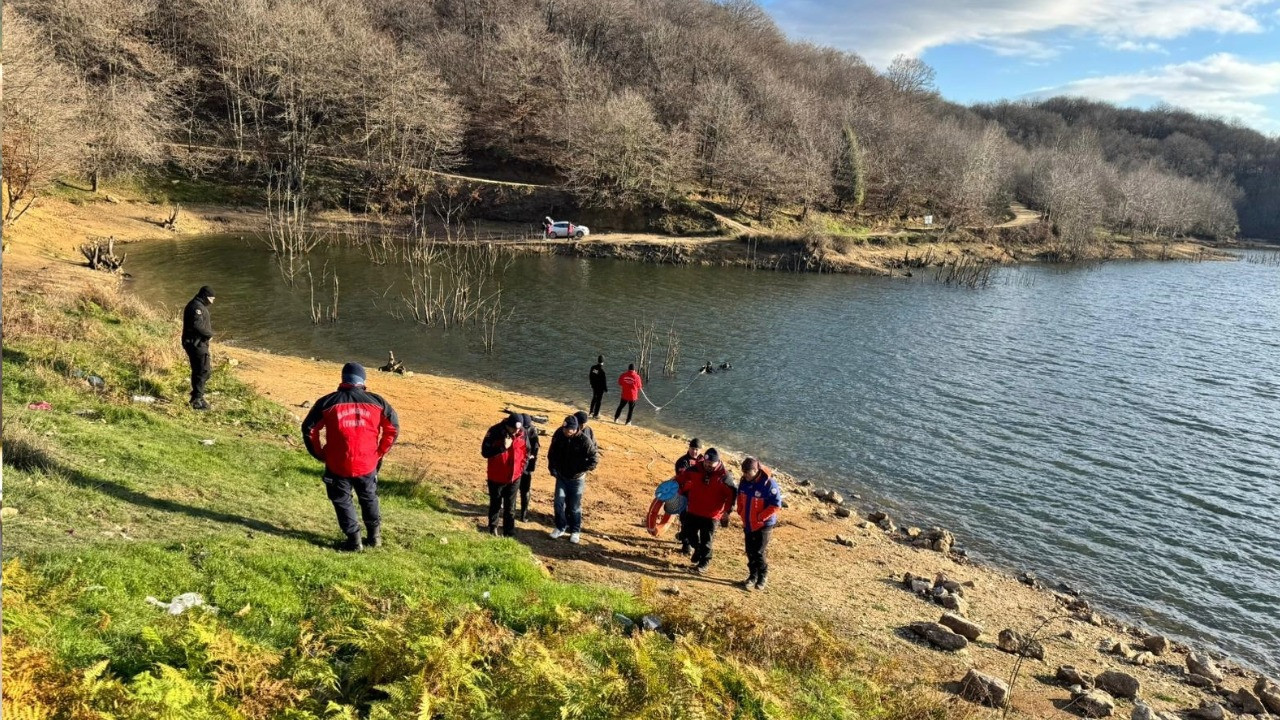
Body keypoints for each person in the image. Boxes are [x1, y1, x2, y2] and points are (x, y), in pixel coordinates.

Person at [302, 362, 400, 552]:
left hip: (338, 463)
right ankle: (375, 536)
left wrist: (319, 453)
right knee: (369, 497)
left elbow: (309, 429)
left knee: (341, 499)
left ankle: (354, 541)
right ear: (363, 381)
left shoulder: (328, 402)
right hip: (367, 463)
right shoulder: (377, 402)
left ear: (343, 379)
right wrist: (379, 452)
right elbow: (393, 428)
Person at [676, 448, 737, 574]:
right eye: (706, 463)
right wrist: (672, 488)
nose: (707, 466)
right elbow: (681, 479)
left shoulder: (724, 477)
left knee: (706, 540)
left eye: (711, 464)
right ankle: (697, 549)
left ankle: (704, 563)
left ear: (718, 462)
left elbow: (732, 495)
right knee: (687, 532)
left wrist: (727, 511)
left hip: (712, 515)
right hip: (693, 509)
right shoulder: (694, 470)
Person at [547, 415, 599, 544]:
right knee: (558, 503)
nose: (566, 432)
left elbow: (594, 458)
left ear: (575, 429)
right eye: (564, 429)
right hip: (562, 477)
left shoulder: (584, 441)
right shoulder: (560, 435)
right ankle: (560, 527)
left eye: (569, 430)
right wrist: (552, 468)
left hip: (577, 480)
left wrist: (581, 469)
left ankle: (575, 531)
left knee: (574, 506)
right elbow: (551, 453)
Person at [736, 456, 782, 591]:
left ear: (755, 470)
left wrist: (761, 517)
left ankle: (762, 576)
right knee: (750, 551)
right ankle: (752, 575)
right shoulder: (744, 481)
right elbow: (740, 496)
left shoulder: (769, 484)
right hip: (748, 522)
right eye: (743, 472)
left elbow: (776, 505)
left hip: (764, 524)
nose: (744, 475)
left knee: (759, 552)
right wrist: (740, 510)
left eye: (747, 473)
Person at [481, 413, 527, 537]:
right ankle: (493, 528)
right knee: (495, 504)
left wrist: (522, 468)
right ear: (507, 425)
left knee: (510, 507)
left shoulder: (522, 432)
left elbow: (526, 451)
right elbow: (485, 452)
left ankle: (509, 533)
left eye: (518, 429)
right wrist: (502, 447)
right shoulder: (494, 431)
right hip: (496, 476)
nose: (516, 431)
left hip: (514, 477)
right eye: (514, 428)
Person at [181, 285, 216, 410]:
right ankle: (197, 400)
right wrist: (209, 334)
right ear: (205, 296)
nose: (211, 302)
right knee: (202, 370)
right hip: (195, 343)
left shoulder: (197, 305)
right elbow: (196, 325)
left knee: (202, 370)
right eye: (211, 299)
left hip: (197, 343)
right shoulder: (196, 307)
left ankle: (197, 397)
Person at [673, 438, 702, 555]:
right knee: (685, 519)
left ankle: (690, 540)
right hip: (685, 496)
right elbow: (682, 478)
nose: (695, 452)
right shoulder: (682, 461)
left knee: (697, 521)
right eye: (693, 449)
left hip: (699, 497)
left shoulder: (704, 461)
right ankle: (686, 544)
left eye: (697, 449)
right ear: (689, 448)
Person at [518, 413, 540, 522]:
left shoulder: (532, 432)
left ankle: (524, 514)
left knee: (525, 490)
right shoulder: (516, 429)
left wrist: (530, 468)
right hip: (515, 465)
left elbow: (535, 451)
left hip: (525, 466)